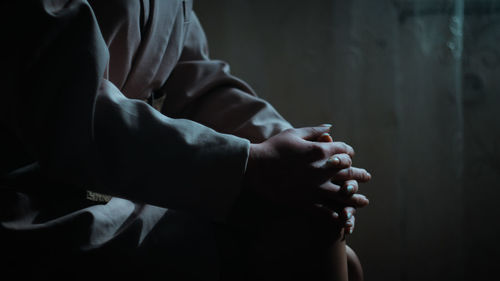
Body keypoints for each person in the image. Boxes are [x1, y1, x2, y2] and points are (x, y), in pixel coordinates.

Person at [0, 0, 371, 280]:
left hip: (111, 192)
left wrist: (305, 158)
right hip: (37, 207)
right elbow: (67, 104)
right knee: (307, 241)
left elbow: (193, 82)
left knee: (318, 231)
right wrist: (250, 165)